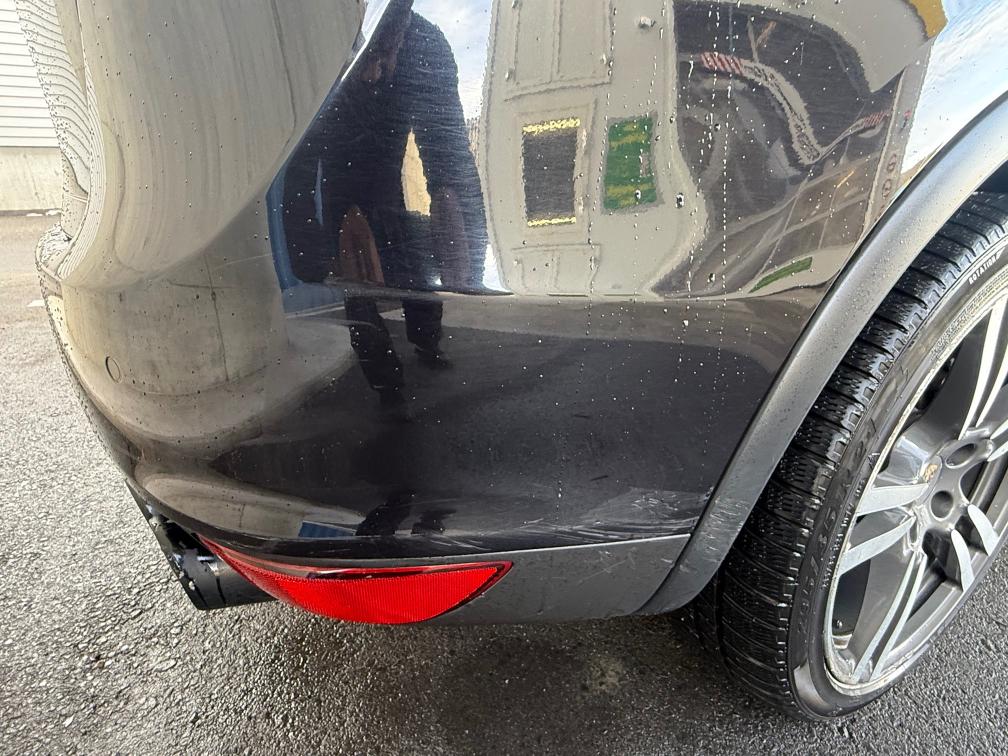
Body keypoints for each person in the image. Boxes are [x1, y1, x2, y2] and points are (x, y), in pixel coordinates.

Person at [279, 0, 488, 408]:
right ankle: (387, 386)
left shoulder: (426, 43)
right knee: (358, 288)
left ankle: (427, 341)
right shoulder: (322, 47)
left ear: (405, 27)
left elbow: (445, 143)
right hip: (340, 182)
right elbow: (301, 161)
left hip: (389, 179)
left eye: (386, 56)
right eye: (368, 59)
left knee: (414, 269)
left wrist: (457, 220)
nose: (374, 74)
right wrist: (308, 255)